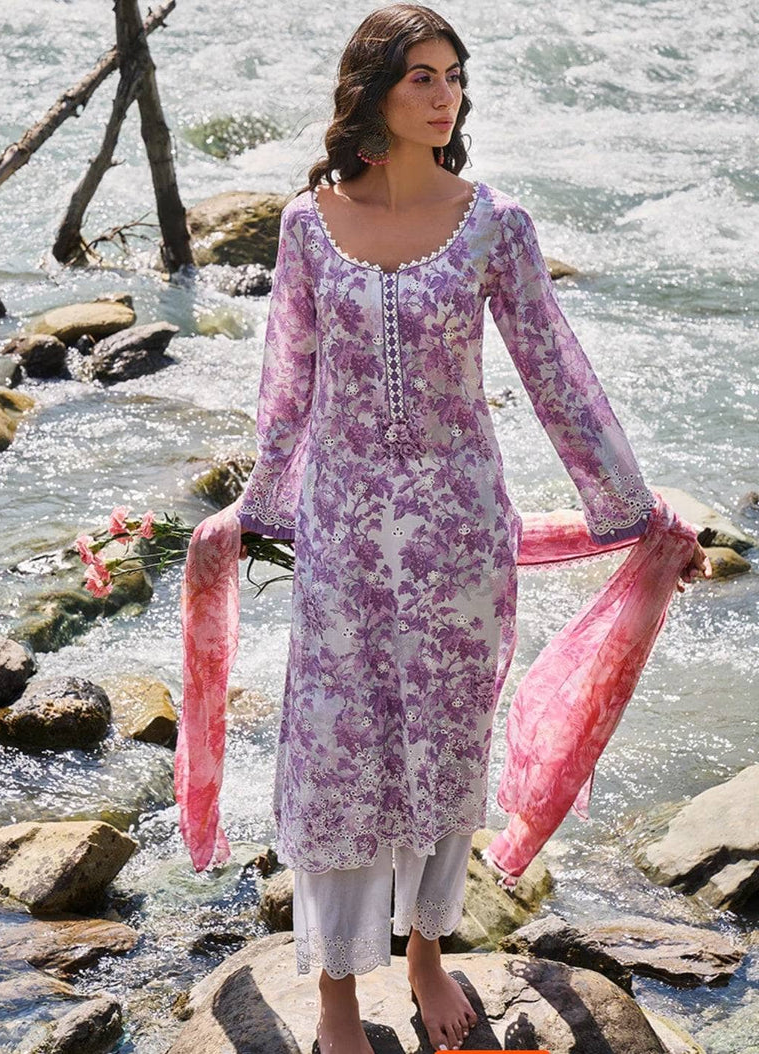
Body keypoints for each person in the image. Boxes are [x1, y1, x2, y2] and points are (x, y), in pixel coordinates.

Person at [234, 5, 711, 1051]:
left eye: (453, 74)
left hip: (457, 534)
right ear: (372, 89)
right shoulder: (307, 225)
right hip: (341, 535)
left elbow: (556, 374)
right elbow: (287, 390)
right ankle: (335, 992)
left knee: (444, 747)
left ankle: (425, 953)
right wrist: (255, 509)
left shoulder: (494, 223)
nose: (444, 93)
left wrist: (632, 510)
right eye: (421, 75)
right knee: (337, 752)